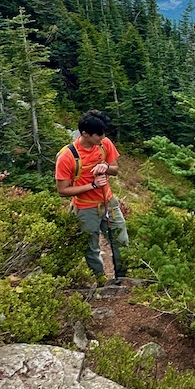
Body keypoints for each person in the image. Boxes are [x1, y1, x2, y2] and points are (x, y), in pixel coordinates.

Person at [55, 111, 129, 281]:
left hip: (108, 201)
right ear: (85, 134)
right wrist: (92, 185)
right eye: (98, 135)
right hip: (85, 208)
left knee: (121, 239)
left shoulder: (104, 144)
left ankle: (123, 277)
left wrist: (104, 167)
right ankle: (101, 280)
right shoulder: (67, 157)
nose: (102, 138)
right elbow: (62, 190)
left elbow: (115, 169)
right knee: (91, 247)